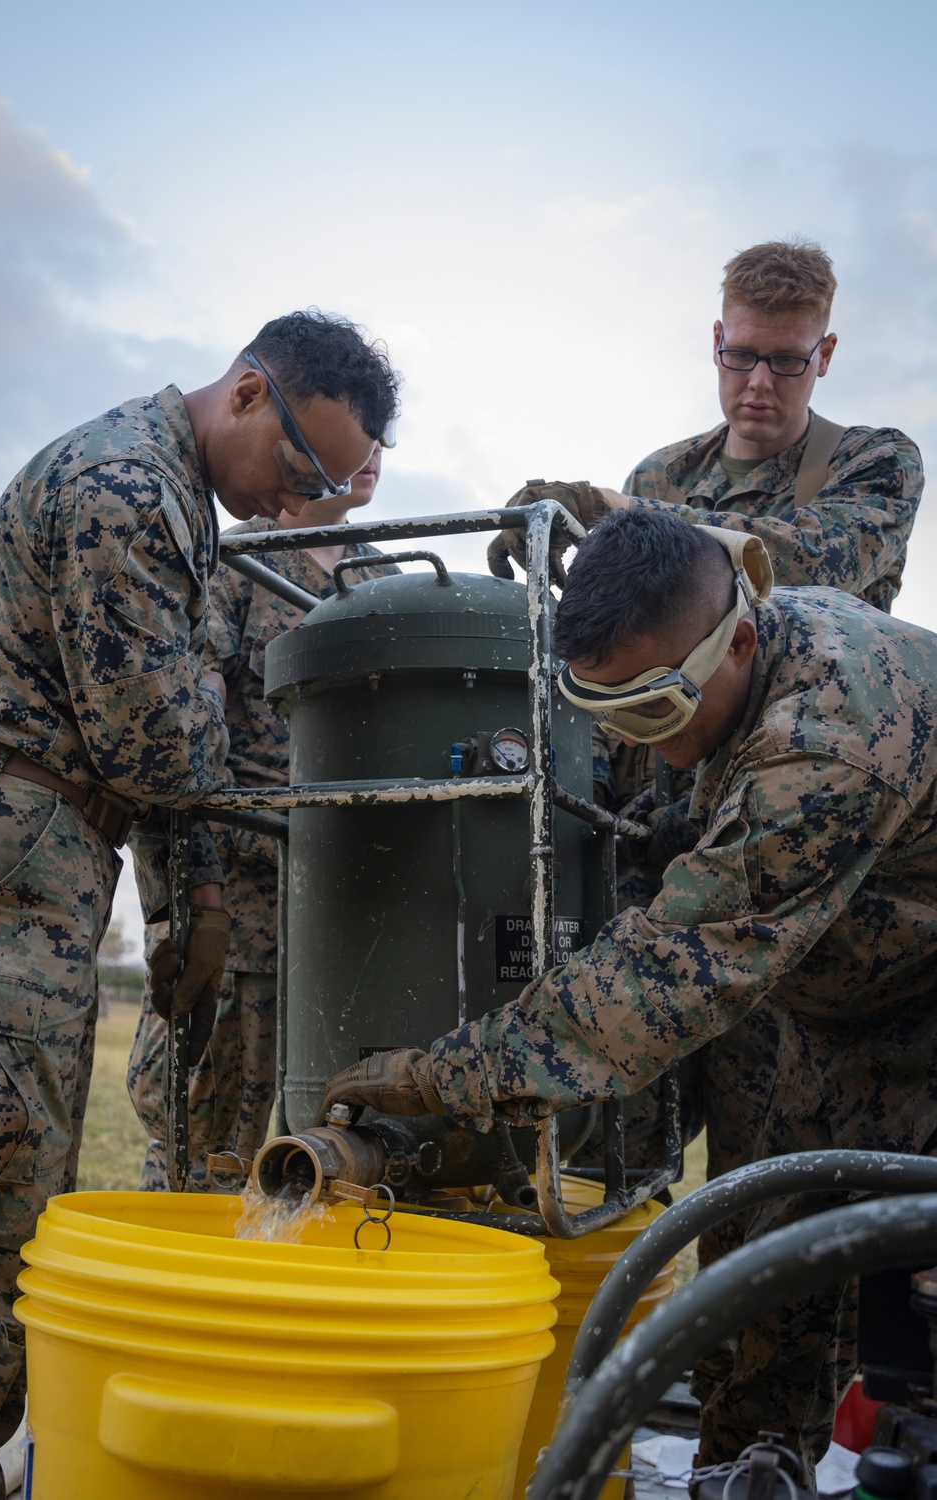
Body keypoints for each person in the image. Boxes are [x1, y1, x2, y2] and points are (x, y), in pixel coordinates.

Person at [322, 508, 937, 1483]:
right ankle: (745, 1464)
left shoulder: (830, 740)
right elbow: (667, 860)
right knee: (754, 1241)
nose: (635, 743)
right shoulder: (726, 661)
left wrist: (440, 1077)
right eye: (600, 713)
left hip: (912, 1000)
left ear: (736, 638)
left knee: (880, 1260)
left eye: (649, 714)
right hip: (818, 982)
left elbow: (662, 978)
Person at [0, 308, 399, 1500]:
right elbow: (161, 746)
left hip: (42, 856)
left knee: (13, 1160)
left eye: (334, 486)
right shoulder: (125, 492)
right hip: (2, 866)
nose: (300, 500)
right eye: (304, 467)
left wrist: (196, 885)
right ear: (249, 392)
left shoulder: (180, 500)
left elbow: (164, 744)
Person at [486, 237, 923, 1300]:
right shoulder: (660, 476)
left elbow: (796, 566)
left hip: (784, 844)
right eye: (740, 359)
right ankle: (602, 1384)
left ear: (823, 353)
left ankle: (755, 1449)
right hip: (654, 838)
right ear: (713, 344)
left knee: (766, 1183)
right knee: (610, 1144)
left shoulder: (872, 462)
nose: (758, 384)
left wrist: (619, 522)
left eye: (784, 361)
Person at [126, 439, 399, 1190]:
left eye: (387, 442)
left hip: (344, 902)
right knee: (206, 1137)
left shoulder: (385, 577)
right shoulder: (237, 559)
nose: (374, 456)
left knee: (335, 1143)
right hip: (240, 897)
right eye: (359, 437)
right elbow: (187, 715)